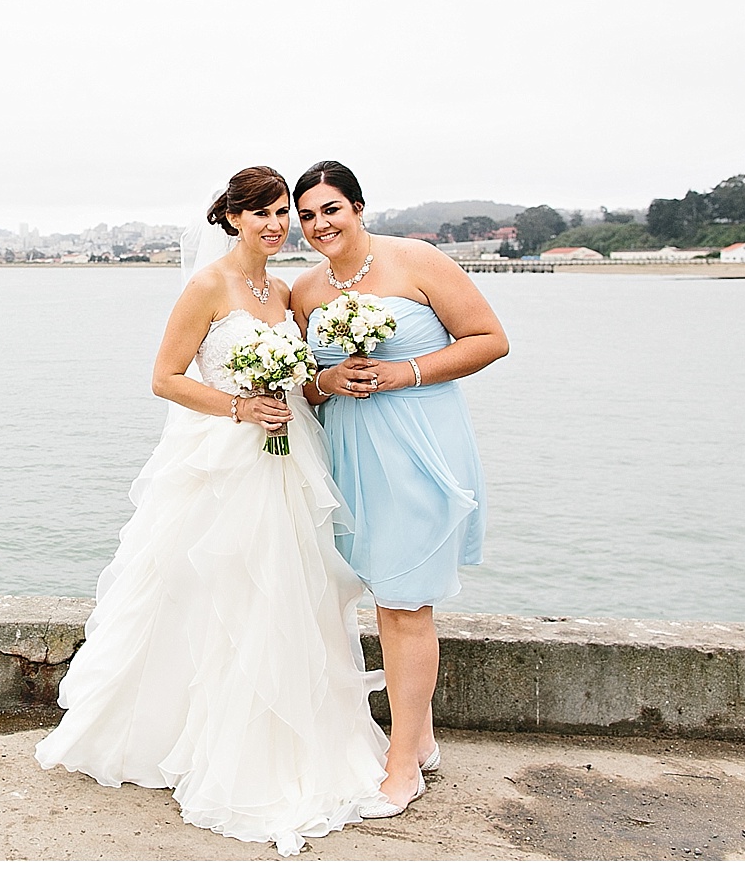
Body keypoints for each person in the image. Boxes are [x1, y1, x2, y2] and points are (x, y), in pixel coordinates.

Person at [32, 166, 391, 852]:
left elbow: (293, 385)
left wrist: (325, 379)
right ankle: (197, 742)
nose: (275, 222)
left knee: (289, 596)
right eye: (259, 211)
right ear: (230, 218)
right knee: (222, 597)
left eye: (282, 210)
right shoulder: (206, 286)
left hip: (288, 462)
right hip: (223, 462)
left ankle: (287, 741)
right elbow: (164, 377)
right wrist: (236, 405)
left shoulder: (282, 289)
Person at [286, 159, 510, 818]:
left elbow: (490, 339)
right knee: (381, 591)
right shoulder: (304, 289)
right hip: (351, 456)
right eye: (307, 214)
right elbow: (304, 382)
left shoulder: (417, 261)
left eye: (330, 208)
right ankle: (425, 737)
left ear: (357, 208)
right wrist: (327, 382)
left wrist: (403, 370)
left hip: (418, 448)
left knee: (405, 600)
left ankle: (403, 762)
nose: (319, 223)